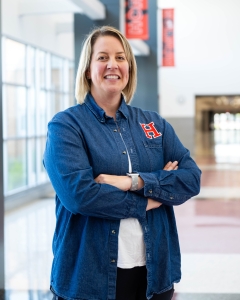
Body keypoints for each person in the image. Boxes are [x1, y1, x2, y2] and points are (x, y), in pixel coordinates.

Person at [43, 26, 201, 300]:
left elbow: (191, 178)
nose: (112, 65)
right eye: (102, 57)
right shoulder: (66, 126)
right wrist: (154, 197)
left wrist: (133, 182)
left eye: (120, 57)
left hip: (153, 274)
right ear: (87, 69)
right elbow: (80, 196)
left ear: (129, 67)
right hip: (88, 278)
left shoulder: (153, 123)